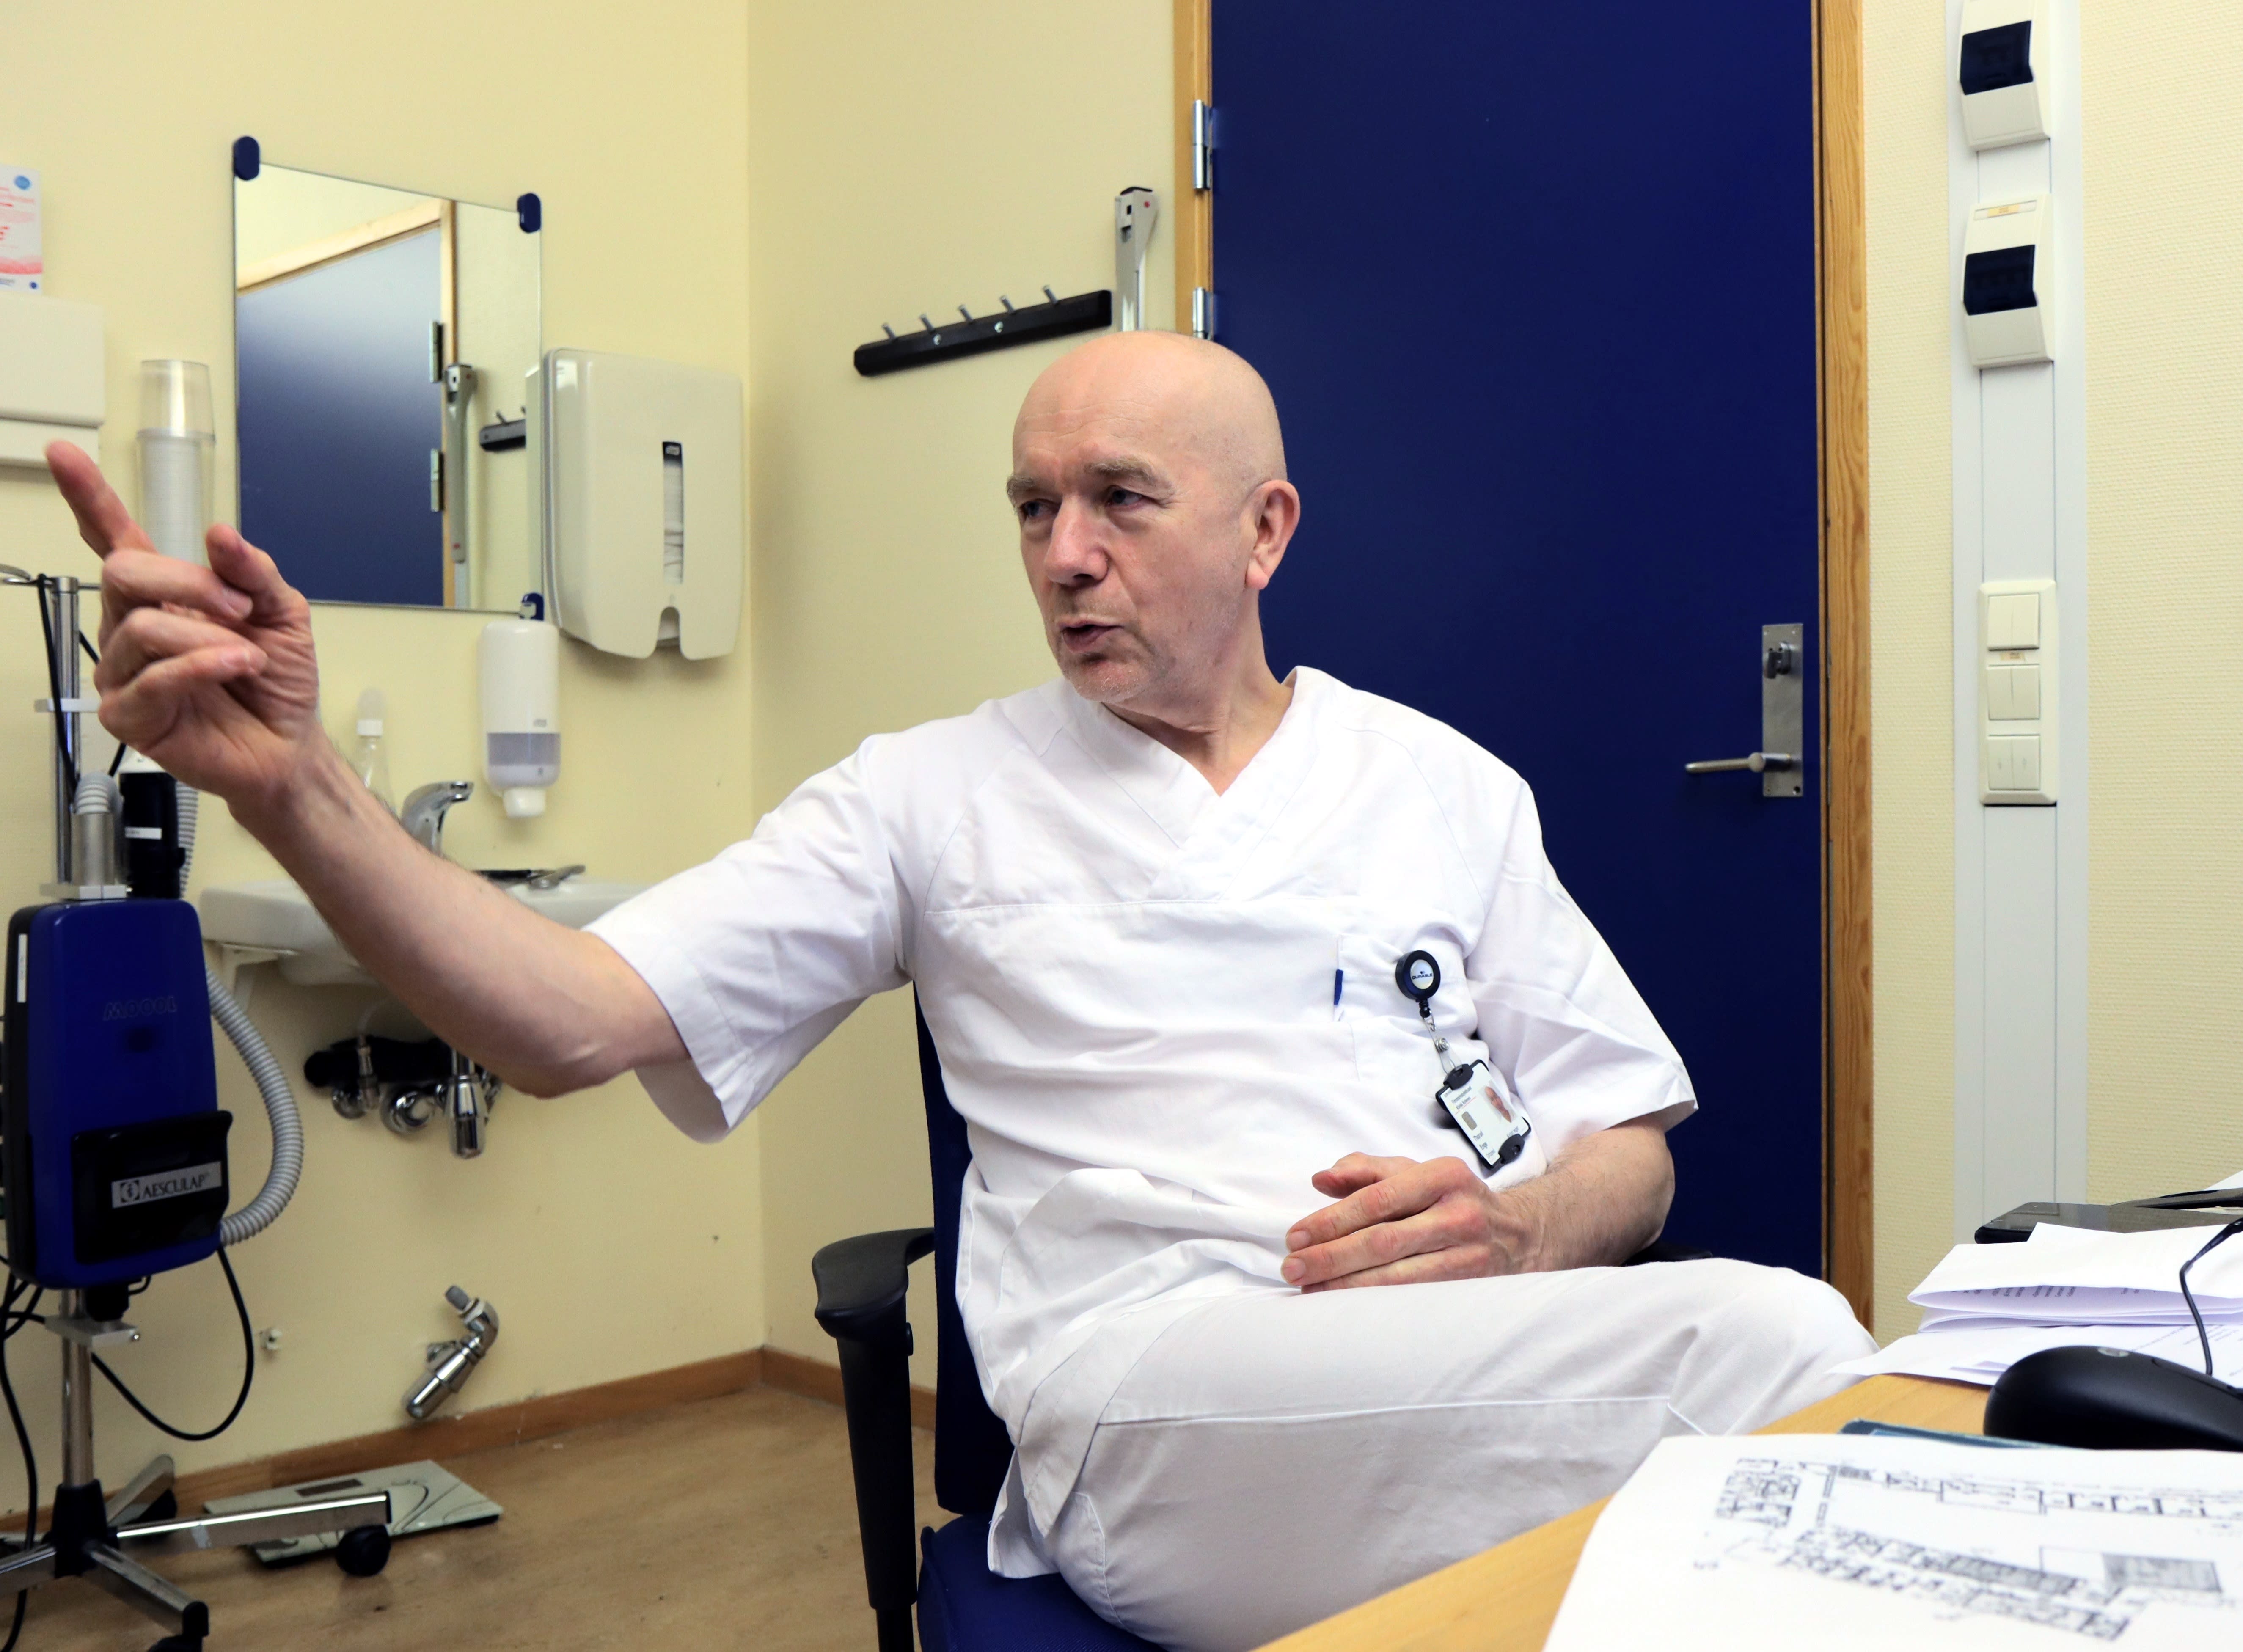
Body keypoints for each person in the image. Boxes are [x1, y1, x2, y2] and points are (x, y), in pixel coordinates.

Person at [44, 331, 1871, 1651]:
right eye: (1034, 507)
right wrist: (296, 789)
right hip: (1154, 1400)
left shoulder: (1444, 789)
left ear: (1266, 530)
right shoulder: (930, 797)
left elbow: (1628, 1143)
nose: (1064, 553)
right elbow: (569, 1019)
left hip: (1444, 1354)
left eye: (1121, 501)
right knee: (1782, 1360)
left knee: (1780, 1398)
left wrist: (1522, 1223)